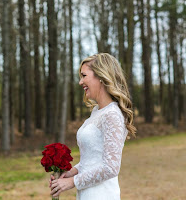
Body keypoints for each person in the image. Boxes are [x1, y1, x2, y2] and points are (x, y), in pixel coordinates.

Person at [49, 53, 136, 200]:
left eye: (84, 76)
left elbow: (110, 168)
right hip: (87, 193)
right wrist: (71, 172)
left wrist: (72, 182)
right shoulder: (97, 112)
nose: (80, 82)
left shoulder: (112, 114)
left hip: (102, 194)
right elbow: (92, 160)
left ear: (101, 76)